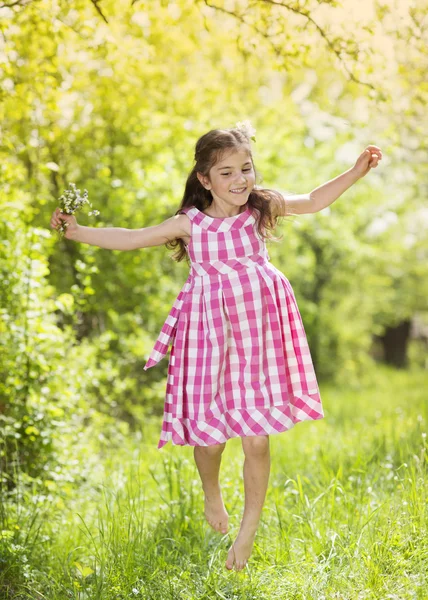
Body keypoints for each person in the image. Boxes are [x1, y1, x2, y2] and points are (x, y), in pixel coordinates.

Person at [50, 123, 382, 572]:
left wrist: (355, 171)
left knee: (257, 440)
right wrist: (76, 232)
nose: (240, 180)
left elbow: (314, 199)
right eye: (226, 173)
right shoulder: (190, 224)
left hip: (258, 334)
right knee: (209, 441)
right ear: (205, 179)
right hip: (207, 335)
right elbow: (130, 237)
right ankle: (212, 494)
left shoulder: (260, 207)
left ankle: (246, 534)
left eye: (245, 168)